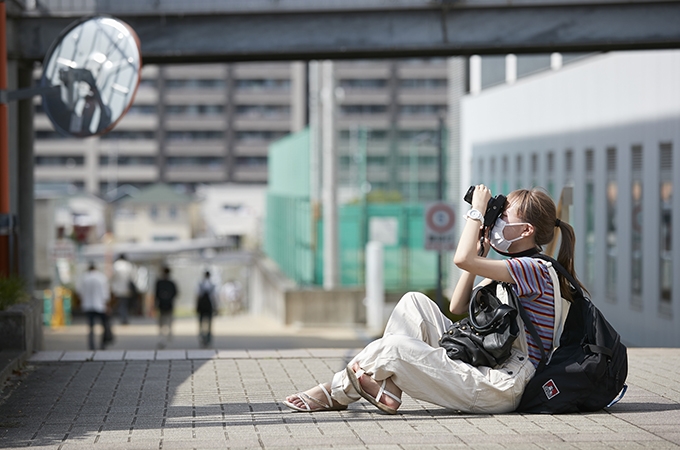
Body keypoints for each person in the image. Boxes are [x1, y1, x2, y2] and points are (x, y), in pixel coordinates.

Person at [283, 185, 587, 414]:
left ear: (526, 230)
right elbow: (456, 307)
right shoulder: (512, 268)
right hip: (489, 364)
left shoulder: (533, 268)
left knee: (392, 348)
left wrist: (476, 212)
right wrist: (479, 256)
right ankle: (388, 390)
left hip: (504, 385)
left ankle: (336, 393)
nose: (494, 223)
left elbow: (459, 258)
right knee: (413, 303)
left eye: (502, 217)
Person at [77, 261, 111, 351]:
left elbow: (80, 291)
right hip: (100, 305)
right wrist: (107, 304)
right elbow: (106, 293)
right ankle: (102, 344)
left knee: (91, 327)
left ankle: (91, 345)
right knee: (103, 325)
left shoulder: (84, 277)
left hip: (88, 305)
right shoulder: (101, 277)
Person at [154, 266, 178, 349]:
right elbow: (176, 293)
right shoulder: (171, 283)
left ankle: (162, 338)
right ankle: (168, 337)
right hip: (169, 305)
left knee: (161, 323)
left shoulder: (159, 282)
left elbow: (156, 294)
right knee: (169, 322)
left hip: (161, 305)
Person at [111, 254, 136, 325]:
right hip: (127, 289)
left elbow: (113, 277)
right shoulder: (129, 265)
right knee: (125, 304)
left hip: (118, 289)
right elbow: (133, 277)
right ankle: (125, 317)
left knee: (120, 304)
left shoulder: (116, 265)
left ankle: (122, 318)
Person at [196, 270, 217, 348]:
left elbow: (197, 296)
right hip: (209, 306)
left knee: (201, 323)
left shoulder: (200, 284)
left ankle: (202, 337)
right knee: (209, 323)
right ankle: (208, 339)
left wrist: (196, 306)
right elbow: (214, 297)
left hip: (202, 306)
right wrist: (215, 307)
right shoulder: (212, 285)